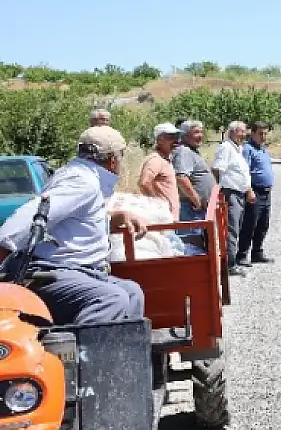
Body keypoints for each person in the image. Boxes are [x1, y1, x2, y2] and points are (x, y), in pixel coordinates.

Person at [0, 126, 148, 325]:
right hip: (53, 270)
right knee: (110, 299)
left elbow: (76, 223)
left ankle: (126, 354)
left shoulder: (84, 177)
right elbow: (22, 223)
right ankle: (84, 354)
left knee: (132, 292)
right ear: (113, 160)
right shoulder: (81, 182)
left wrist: (114, 218)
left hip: (78, 271)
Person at [211, 121, 252, 276]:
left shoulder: (237, 149)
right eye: (241, 132)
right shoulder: (225, 148)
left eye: (244, 132)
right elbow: (217, 169)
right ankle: (229, 265)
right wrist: (222, 188)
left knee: (236, 228)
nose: (243, 135)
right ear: (232, 132)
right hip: (230, 193)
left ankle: (231, 262)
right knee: (231, 230)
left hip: (238, 193)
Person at [237, 121, 275, 267]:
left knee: (263, 224)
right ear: (252, 133)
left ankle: (257, 253)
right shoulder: (248, 149)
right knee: (249, 224)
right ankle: (241, 255)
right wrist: (249, 191)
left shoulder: (262, 149)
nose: (263, 136)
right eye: (260, 133)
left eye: (265, 133)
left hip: (266, 192)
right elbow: (244, 171)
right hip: (255, 191)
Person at [138, 123, 182, 220]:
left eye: (177, 137)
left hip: (169, 218)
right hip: (162, 219)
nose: (176, 141)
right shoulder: (155, 160)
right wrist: (159, 205)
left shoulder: (165, 159)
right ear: (159, 140)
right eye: (171, 137)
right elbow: (144, 183)